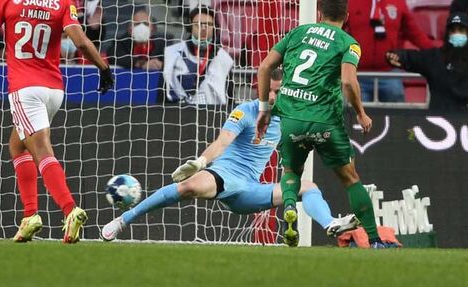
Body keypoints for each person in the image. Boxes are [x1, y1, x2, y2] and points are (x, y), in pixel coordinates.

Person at [0, 0, 115, 244]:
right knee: (17, 146)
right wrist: (104, 69)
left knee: (41, 151)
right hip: (54, 90)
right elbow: (82, 41)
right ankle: (30, 215)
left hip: (25, 88)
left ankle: (70, 209)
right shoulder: (61, 1)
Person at [100, 74, 360, 242]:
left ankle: (330, 223)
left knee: (309, 187)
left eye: (278, 92)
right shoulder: (245, 111)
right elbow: (222, 142)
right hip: (224, 175)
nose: (272, 97)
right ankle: (123, 220)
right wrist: (201, 162)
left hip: (249, 191)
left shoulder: (291, 119)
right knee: (189, 186)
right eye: (268, 91)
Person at [255, 0, 398, 248]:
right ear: (345, 16)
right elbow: (347, 81)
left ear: (319, 13)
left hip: (291, 116)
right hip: (324, 121)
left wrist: (265, 109)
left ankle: (290, 208)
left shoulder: (297, 33)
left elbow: (264, 66)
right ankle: (375, 241)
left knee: (291, 171)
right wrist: (361, 113)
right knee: (350, 179)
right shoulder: (348, 42)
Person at [345, 0, 436, 102]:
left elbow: (416, 35)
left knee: (397, 119)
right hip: (358, 74)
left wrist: (437, 53)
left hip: (390, 74)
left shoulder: (398, 3)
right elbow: (337, 33)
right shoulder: (350, 2)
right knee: (354, 120)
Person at [386, 12, 468, 112]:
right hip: (439, 123)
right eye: (453, 30)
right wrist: (396, 56)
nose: (457, 34)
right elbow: (411, 57)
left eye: (461, 30)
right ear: (447, 33)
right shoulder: (434, 57)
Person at [164, 6, 234, 105]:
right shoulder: (172, 53)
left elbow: (230, 100)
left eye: (209, 24)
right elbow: (162, 93)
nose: (204, 29)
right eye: (199, 24)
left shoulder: (224, 60)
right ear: (190, 27)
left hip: (213, 117)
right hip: (175, 114)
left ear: (215, 29)